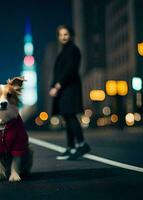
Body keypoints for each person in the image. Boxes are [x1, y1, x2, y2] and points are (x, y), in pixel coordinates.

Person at [49, 25, 91, 160]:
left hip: (69, 88)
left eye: (66, 34)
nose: (63, 37)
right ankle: (71, 147)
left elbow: (71, 70)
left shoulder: (73, 50)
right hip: (64, 89)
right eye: (61, 35)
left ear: (71, 35)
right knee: (67, 118)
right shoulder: (64, 51)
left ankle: (82, 144)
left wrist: (58, 86)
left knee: (71, 117)